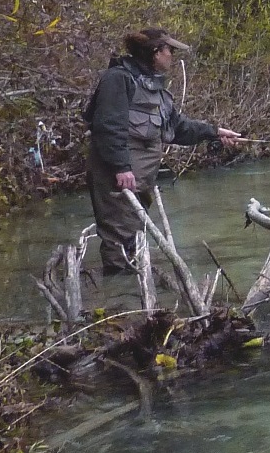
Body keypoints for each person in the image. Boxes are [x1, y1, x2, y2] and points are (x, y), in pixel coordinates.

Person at [85, 28, 242, 274]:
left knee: (134, 232)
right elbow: (108, 126)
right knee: (120, 233)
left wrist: (215, 131)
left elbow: (177, 128)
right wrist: (121, 168)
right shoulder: (118, 78)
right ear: (155, 52)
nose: (173, 55)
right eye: (170, 50)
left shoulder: (154, 87)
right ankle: (120, 299)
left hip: (141, 176)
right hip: (121, 174)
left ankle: (133, 293)